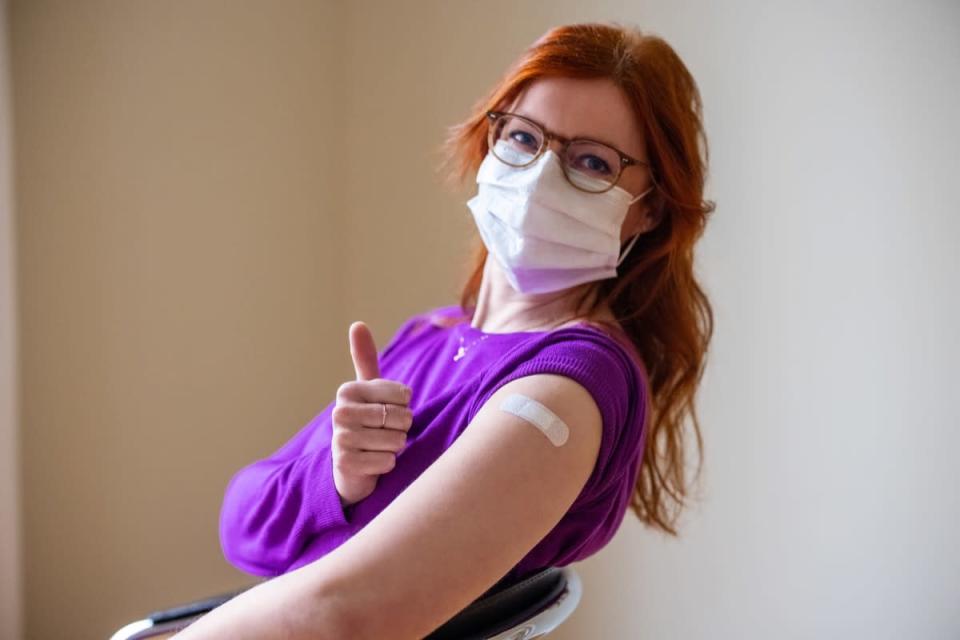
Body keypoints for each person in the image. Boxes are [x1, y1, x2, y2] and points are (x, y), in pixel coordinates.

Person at [175, 20, 714, 640]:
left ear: (649, 207)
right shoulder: (433, 335)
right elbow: (242, 527)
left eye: (591, 162)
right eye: (523, 137)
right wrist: (334, 477)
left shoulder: (567, 386)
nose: (540, 177)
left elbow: (344, 616)